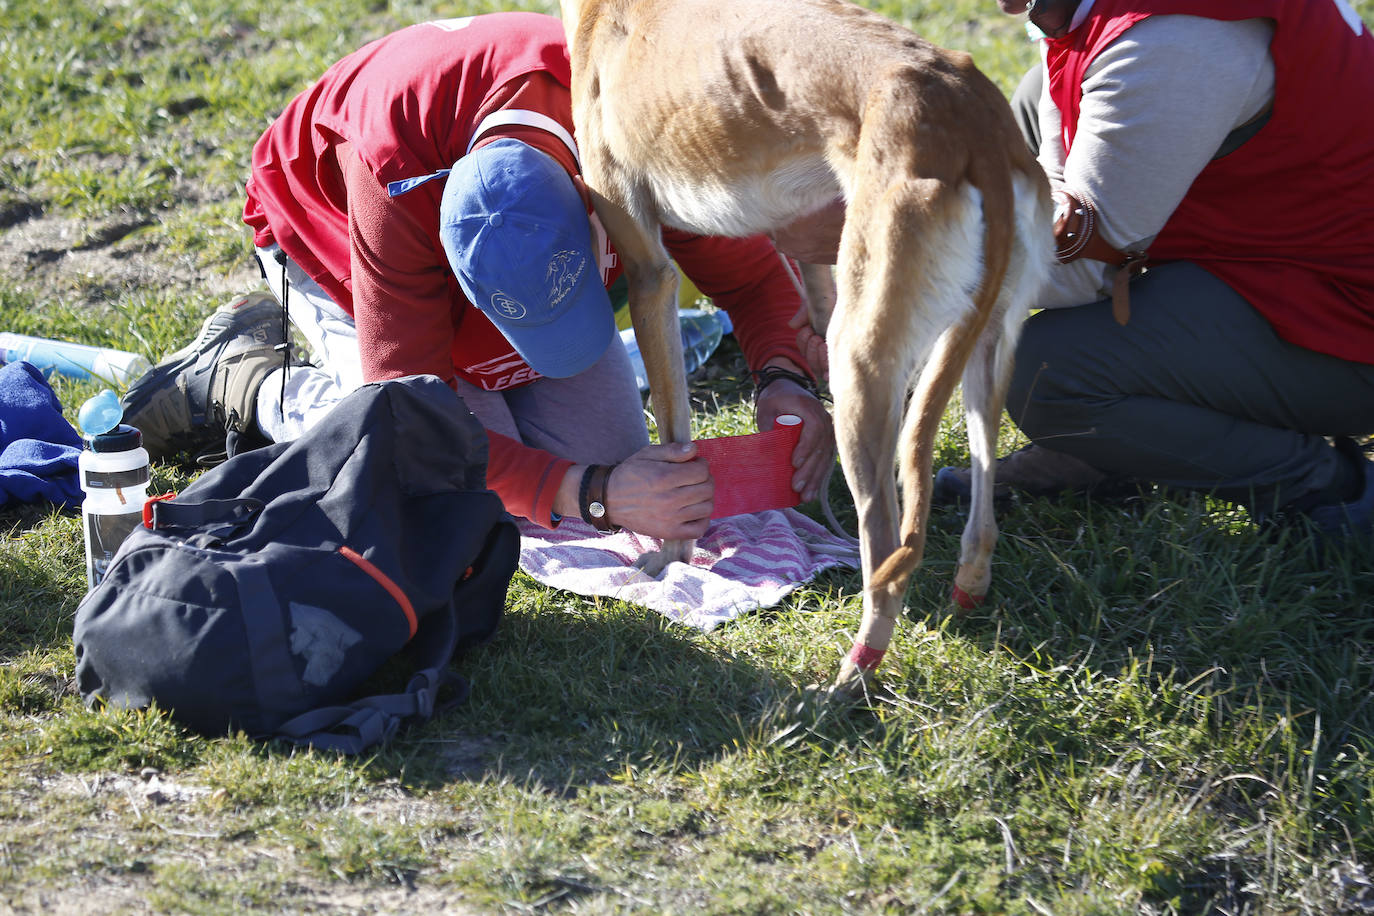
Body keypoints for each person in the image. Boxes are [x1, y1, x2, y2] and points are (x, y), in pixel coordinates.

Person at [121, 11, 834, 542]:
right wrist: (595, 495)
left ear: (595, 212)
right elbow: (413, 423)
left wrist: (785, 378)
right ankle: (245, 379)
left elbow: (751, 281)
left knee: (606, 456)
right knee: (441, 487)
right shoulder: (393, 181)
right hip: (325, 223)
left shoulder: (631, 130)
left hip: (468, 192)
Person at [933, 0, 1374, 540]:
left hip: (1347, 317)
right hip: (1290, 249)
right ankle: (1107, 446)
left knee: (1048, 373)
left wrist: (902, 258)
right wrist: (1054, 188)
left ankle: (1329, 489)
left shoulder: (1171, 41)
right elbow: (1054, 82)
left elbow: (1078, 274)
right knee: (1028, 102)